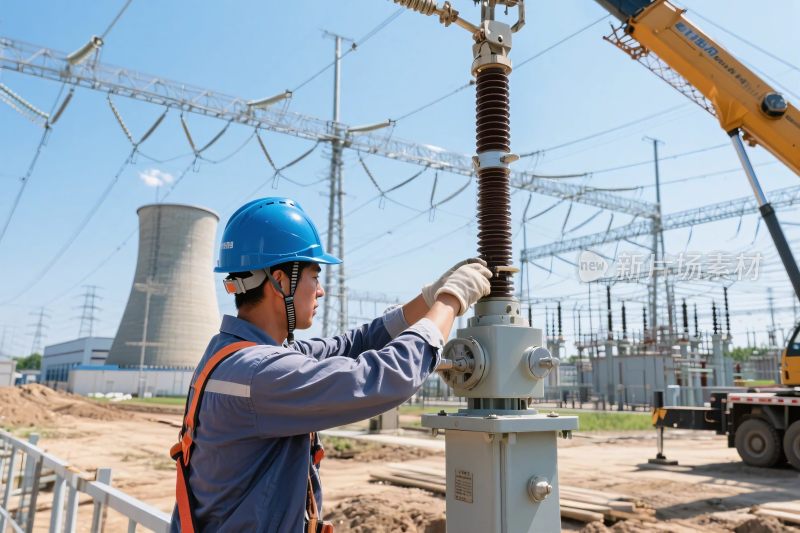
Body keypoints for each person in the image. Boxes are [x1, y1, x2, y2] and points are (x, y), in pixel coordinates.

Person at [170, 197, 491, 533]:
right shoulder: (262, 374)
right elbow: (388, 376)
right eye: (314, 275)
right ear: (280, 280)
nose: (321, 291)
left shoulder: (232, 355)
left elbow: (354, 344)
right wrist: (450, 301)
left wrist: (428, 298)